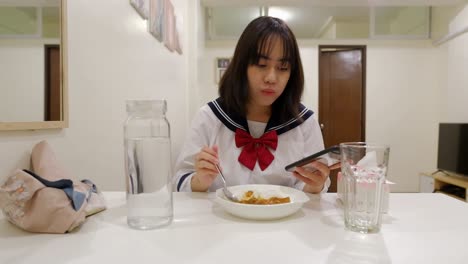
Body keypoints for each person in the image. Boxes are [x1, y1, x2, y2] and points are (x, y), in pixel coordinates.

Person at [174, 16, 332, 193]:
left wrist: (315, 184)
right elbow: (180, 179)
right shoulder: (210, 117)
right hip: (220, 219)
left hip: (285, 220)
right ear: (242, 66)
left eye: (283, 68)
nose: (271, 78)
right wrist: (199, 181)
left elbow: (310, 189)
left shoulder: (305, 122)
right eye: (261, 64)